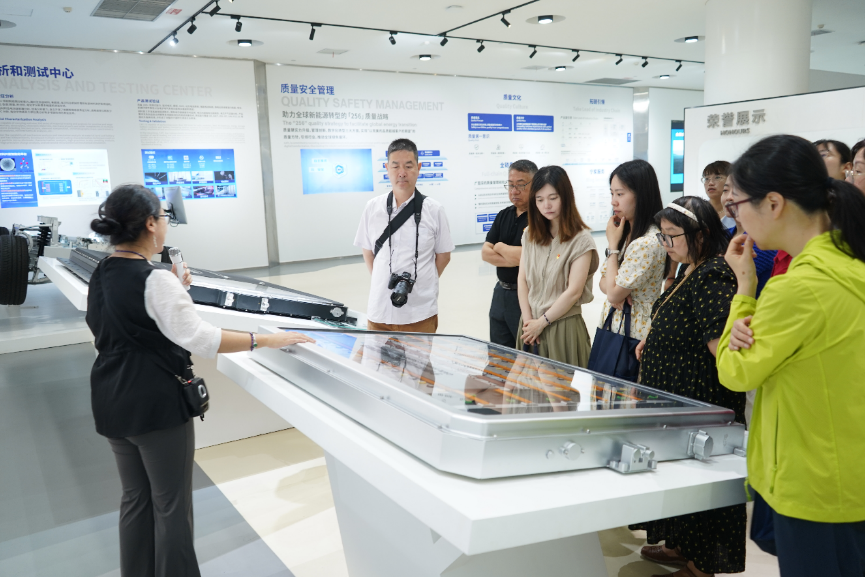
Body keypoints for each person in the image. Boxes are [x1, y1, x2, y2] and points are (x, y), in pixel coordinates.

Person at [86, 185, 315, 577]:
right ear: (150, 224)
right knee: (171, 507)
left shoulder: (103, 271)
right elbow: (202, 338)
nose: (165, 225)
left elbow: (128, 326)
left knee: (135, 500)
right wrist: (265, 340)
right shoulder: (154, 279)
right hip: (155, 405)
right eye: (163, 217)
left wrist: (176, 288)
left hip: (110, 399)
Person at [718, 135, 865, 577]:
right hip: (846, 471)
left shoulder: (797, 289)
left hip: (814, 486)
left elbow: (735, 371)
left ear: (774, 203)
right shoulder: (850, 265)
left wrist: (744, 291)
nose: (736, 216)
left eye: (736, 203)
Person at [632, 196, 745, 577]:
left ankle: (700, 565)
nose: (666, 244)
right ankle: (680, 544)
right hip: (677, 396)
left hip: (699, 396)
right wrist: (654, 339)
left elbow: (719, 345)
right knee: (676, 474)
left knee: (698, 479)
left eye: (672, 236)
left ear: (701, 234)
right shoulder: (690, 267)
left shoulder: (714, 273)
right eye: (662, 236)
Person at [355, 138, 454, 333]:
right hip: (380, 310)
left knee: (420, 355)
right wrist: (381, 279)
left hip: (419, 311)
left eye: (408, 166)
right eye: (395, 166)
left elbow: (444, 256)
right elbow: (367, 250)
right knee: (377, 354)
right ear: (387, 168)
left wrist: (421, 281)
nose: (402, 173)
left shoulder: (434, 210)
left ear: (418, 168)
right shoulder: (373, 207)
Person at [516, 165, 598, 366]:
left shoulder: (581, 240)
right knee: (525, 383)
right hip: (530, 327)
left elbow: (574, 291)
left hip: (562, 326)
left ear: (565, 197)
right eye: (540, 199)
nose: (546, 205)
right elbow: (522, 279)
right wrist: (528, 322)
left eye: (553, 198)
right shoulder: (530, 234)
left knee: (560, 385)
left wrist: (541, 323)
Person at [598, 159, 668, 342]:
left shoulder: (646, 242)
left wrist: (613, 247)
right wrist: (616, 291)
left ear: (641, 195)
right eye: (612, 193)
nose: (613, 201)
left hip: (634, 333)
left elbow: (612, 292)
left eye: (620, 194)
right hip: (616, 325)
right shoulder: (625, 232)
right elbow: (603, 282)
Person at [482, 159, 537, 347]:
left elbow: (530, 257)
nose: (514, 191)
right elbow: (485, 253)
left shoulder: (540, 219)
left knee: (526, 352)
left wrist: (499, 247)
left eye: (520, 185)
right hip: (500, 292)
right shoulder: (503, 214)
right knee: (498, 351)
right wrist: (517, 257)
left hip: (527, 296)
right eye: (511, 185)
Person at [720, 178, 777, 297]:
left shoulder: (761, 243)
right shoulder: (723, 234)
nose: (728, 197)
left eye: (737, 191)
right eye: (725, 190)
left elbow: (726, 290)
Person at [701, 160, 736, 228]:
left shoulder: (737, 211)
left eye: (717, 177)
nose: (710, 183)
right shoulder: (698, 210)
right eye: (706, 179)